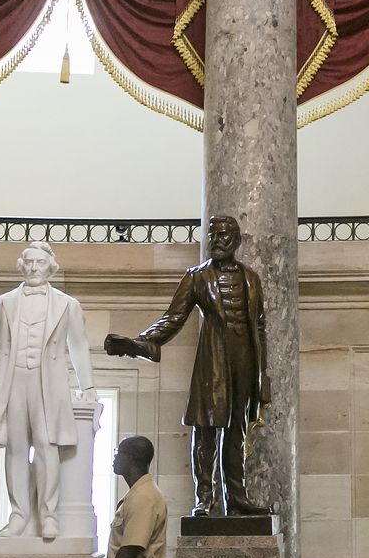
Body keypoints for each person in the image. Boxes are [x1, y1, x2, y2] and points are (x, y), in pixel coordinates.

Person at [104, 215, 270, 517]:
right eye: (212, 235)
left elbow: (259, 327)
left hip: (244, 362)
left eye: (222, 235)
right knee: (205, 429)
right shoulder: (197, 276)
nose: (216, 240)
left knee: (237, 433)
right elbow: (174, 317)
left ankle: (237, 498)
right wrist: (140, 342)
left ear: (236, 240)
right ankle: (204, 499)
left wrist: (263, 374)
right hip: (213, 360)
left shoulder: (251, 278)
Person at [0, 242, 95, 540]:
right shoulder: (3, 303)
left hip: (49, 383)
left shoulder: (67, 304)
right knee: (16, 449)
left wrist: (89, 386)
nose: (34, 268)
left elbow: (79, 345)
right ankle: (18, 515)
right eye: (29, 262)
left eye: (40, 263)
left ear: (51, 268)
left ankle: (48, 514)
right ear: (21, 265)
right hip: (13, 380)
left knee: (47, 445)